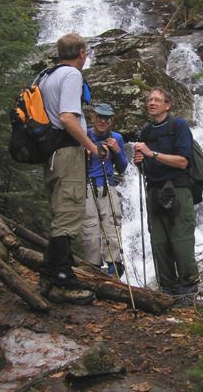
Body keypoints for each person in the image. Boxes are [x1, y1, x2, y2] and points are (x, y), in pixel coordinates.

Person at [38, 33, 100, 305]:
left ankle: (49, 276)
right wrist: (91, 145)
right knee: (68, 213)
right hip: (66, 152)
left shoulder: (45, 75)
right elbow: (66, 117)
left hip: (51, 154)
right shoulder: (72, 75)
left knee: (61, 211)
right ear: (82, 53)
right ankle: (62, 280)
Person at [134, 87, 199, 303]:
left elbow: (183, 161)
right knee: (159, 243)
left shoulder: (178, 126)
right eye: (150, 100)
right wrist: (140, 163)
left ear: (167, 105)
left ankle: (188, 292)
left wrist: (151, 153)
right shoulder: (146, 132)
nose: (152, 103)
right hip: (154, 191)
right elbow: (146, 166)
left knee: (181, 241)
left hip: (178, 189)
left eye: (157, 100)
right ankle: (167, 292)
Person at [82, 103, 128, 277]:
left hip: (108, 186)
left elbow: (122, 167)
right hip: (87, 186)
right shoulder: (83, 134)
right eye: (99, 117)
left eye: (106, 118)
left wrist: (117, 150)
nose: (102, 121)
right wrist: (83, 153)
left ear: (111, 120)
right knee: (89, 226)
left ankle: (114, 266)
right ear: (92, 116)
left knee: (112, 224)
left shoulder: (117, 138)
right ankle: (92, 267)